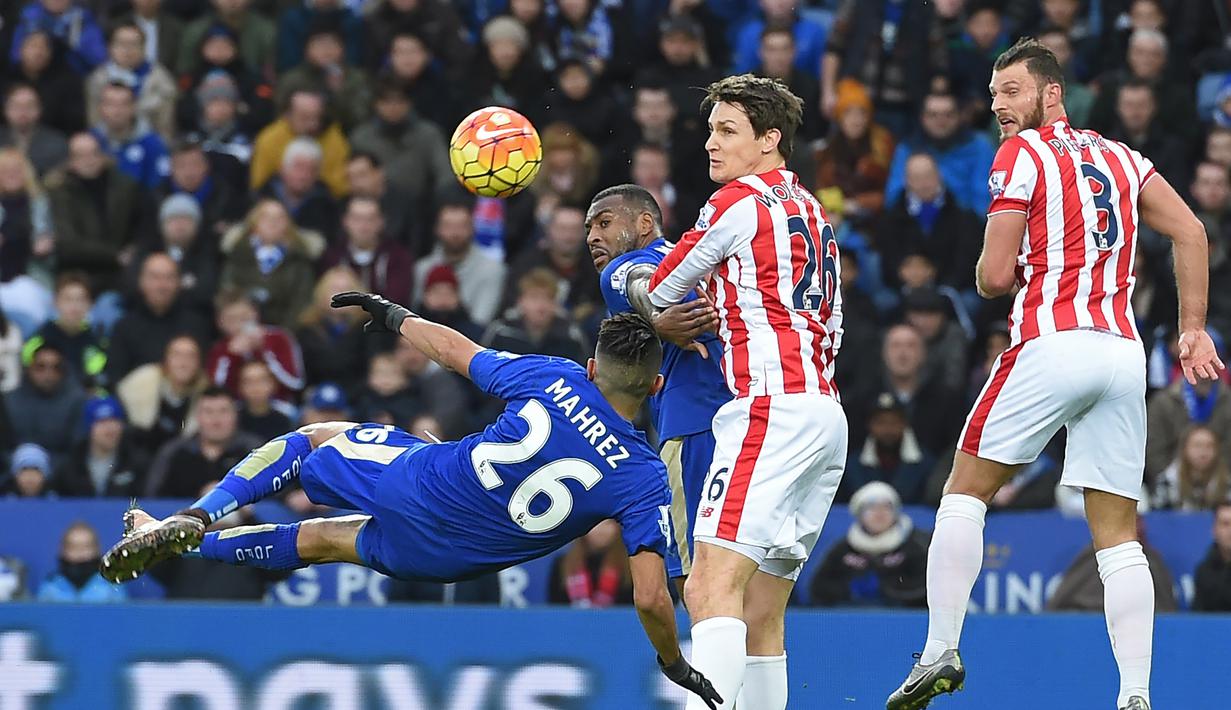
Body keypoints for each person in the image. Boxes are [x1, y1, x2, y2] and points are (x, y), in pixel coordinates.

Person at [102, 297, 722, 709]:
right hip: (449, 560)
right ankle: (187, 538)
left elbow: (457, 353)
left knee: (314, 438)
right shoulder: (642, 479)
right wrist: (671, 660)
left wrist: (397, 316)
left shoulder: (554, 377)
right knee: (325, 541)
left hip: (422, 483)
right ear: (657, 385)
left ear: (592, 366)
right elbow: (648, 595)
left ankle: (195, 519)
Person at [885, 39, 1226, 710]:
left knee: (963, 489)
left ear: (1050, 94)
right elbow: (1190, 231)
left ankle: (939, 650)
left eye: (1010, 92)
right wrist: (1191, 327)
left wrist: (1004, 270)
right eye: (991, 96)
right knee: (1116, 535)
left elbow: (989, 277)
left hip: (1050, 340)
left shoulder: (1019, 155)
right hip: (1121, 354)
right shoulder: (1121, 157)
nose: (997, 108)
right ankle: (1134, 694)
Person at [625, 75, 847, 710]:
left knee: (708, 587)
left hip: (768, 408)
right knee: (761, 610)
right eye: (711, 131)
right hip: (824, 412)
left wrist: (642, 285)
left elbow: (663, 288)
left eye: (728, 131)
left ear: (770, 140)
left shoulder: (737, 202)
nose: (711, 145)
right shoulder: (813, 210)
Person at [585, 183, 729, 586]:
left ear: (645, 222)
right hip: (750, 414)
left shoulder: (623, 267)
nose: (593, 236)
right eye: (589, 230)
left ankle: (710, 650)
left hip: (693, 423)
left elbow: (642, 284)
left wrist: (655, 314)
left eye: (605, 222)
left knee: (692, 573)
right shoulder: (699, 260)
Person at [809, 481, 929, 607]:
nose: (879, 513)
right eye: (871, 507)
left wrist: (889, 591)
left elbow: (928, 587)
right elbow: (818, 588)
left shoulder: (915, 544)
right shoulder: (844, 548)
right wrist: (848, 591)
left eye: (886, 506)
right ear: (859, 513)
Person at [54, 394, 148, 497]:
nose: (110, 429)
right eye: (102, 422)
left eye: (114, 421)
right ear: (89, 428)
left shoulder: (136, 463)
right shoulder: (71, 466)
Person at [37, 522, 126, 603]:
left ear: (97, 550)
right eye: (73, 547)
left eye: (86, 547)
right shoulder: (50, 587)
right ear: (63, 550)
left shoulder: (112, 588)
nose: (80, 552)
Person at [1151, 426, 1231, 511]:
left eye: (1209, 446)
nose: (1203, 452)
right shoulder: (1168, 481)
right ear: (1185, 449)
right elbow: (1157, 516)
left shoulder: (1227, 483)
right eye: (1197, 446)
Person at [1192, 502, 1231, 612]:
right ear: (1215, 530)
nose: (1230, 531)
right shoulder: (1204, 571)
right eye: (1225, 524)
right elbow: (1197, 614)